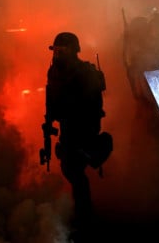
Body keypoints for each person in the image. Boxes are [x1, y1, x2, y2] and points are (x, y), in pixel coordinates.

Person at [42, 32, 106, 240]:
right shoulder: (55, 71)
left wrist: (82, 125)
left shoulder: (85, 72)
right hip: (67, 127)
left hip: (83, 128)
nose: (57, 54)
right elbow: (51, 96)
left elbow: (93, 104)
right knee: (70, 170)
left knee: (75, 171)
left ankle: (85, 220)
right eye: (56, 50)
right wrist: (50, 119)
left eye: (62, 50)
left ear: (73, 51)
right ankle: (82, 215)